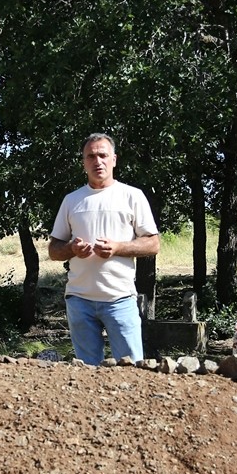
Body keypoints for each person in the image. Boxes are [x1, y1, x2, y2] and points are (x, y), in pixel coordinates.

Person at [49, 133, 160, 365]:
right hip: (79, 300)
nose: (97, 161)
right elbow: (54, 250)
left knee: (131, 369)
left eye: (103, 155)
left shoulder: (132, 196)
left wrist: (118, 247)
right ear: (83, 162)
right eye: (91, 156)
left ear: (114, 160)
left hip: (120, 298)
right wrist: (71, 248)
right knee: (88, 373)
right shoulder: (72, 200)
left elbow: (153, 243)